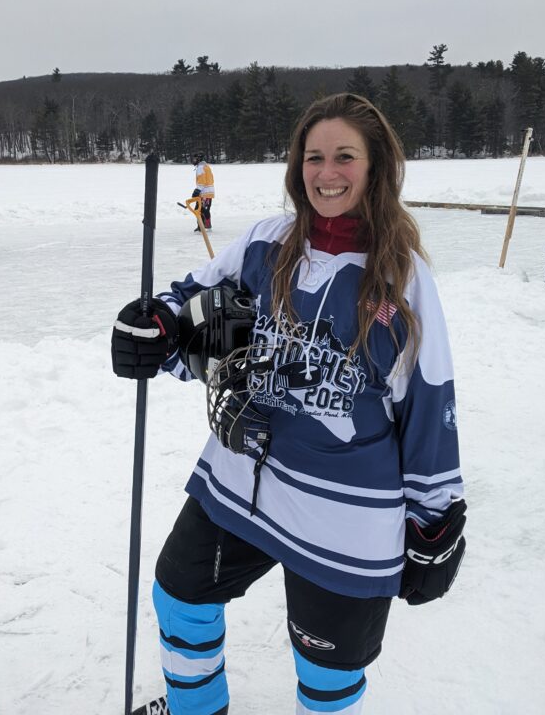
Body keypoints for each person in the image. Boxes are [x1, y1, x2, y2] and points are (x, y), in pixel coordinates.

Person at [112, 93, 465, 714]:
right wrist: (155, 327)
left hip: (344, 512)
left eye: (344, 157)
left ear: (376, 166)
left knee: (326, 670)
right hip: (242, 478)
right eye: (313, 157)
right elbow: (191, 300)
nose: (327, 173)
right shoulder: (266, 242)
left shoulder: (399, 279)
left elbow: (427, 399)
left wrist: (435, 515)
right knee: (181, 595)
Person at [189, 151, 214, 230]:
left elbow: (202, 180)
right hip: (208, 192)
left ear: (199, 159)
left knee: (200, 210)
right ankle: (204, 225)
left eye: (194, 159)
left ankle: (203, 226)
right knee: (202, 209)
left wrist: (197, 190)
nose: (193, 160)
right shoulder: (206, 166)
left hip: (204, 193)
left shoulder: (200, 168)